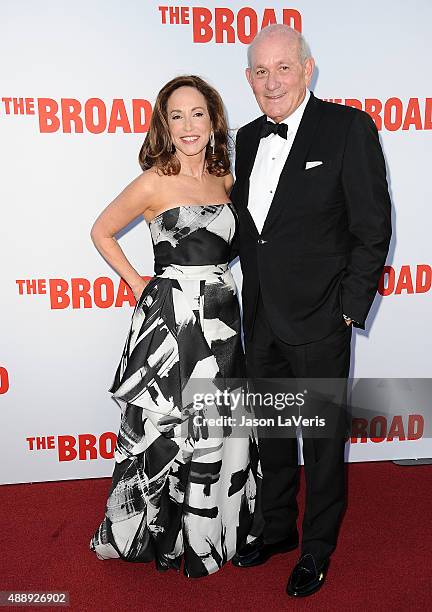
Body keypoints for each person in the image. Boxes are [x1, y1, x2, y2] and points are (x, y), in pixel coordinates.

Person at [230, 25, 392, 597]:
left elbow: (372, 228)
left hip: (322, 316)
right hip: (262, 318)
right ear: (248, 79)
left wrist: (349, 308)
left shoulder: (348, 128)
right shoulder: (245, 139)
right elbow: (253, 234)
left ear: (308, 68)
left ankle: (316, 548)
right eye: (259, 71)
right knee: (274, 433)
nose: (271, 82)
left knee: (322, 441)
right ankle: (276, 528)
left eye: (282, 68)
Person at [89, 75, 260, 578]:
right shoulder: (153, 181)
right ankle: (162, 534)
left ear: (213, 121)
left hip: (223, 315)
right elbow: (101, 231)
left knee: (218, 423)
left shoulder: (226, 179)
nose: (189, 126)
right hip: (172, 319)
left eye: (198, 114)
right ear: (164, 124)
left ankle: (214, 529)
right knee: (167, 427)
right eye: (177, 115)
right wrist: (137, 282)